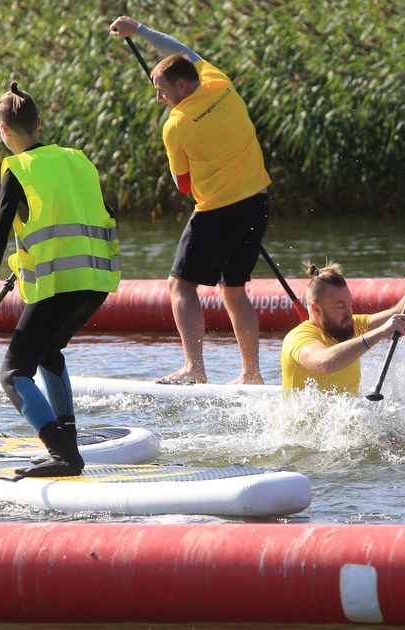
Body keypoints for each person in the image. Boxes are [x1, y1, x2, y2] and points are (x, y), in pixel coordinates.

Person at [109, 16, 271, 386]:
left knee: (180, 285)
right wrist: (141, 32)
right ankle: (252, 374)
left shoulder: (176, 125)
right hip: (258, 203)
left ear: (182, 86)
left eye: (162, 90)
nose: (158, 98)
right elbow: (181, 51)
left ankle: (194, 368)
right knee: (234, 290)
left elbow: (182, 184)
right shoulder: (219, 83)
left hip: (218, 210)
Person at [0, 82, 121, 477]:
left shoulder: (18, 168)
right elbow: (98, 212)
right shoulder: (79, 159)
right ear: (39, 122)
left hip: (59, 286)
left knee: (13, 373)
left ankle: (63, 455)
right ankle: (68, 446)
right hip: (98, 280)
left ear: (3, 131)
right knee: (49, 352)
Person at [281, 261, 405, 395]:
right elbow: (324, 362)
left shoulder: (350, 324)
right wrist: (381, 332)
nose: (348, 312)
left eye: (349, 304)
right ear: (316, 310)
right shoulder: (298, 337)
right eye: (340, 306)